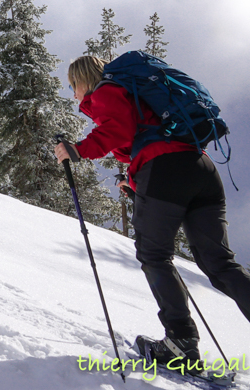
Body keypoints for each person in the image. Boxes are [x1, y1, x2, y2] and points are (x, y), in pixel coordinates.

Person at [54, 55, 250, 367]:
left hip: (165, 171)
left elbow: (118, 131)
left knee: (154, 256)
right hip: (201, 169)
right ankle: (182, 340)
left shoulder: (106, 91)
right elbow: (144, 140)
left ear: (82, 80)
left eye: (71, 85)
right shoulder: (137, 96)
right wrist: (138, 186)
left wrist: (78, 149)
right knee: (221, 264)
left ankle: (181, 342)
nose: (73, 93)